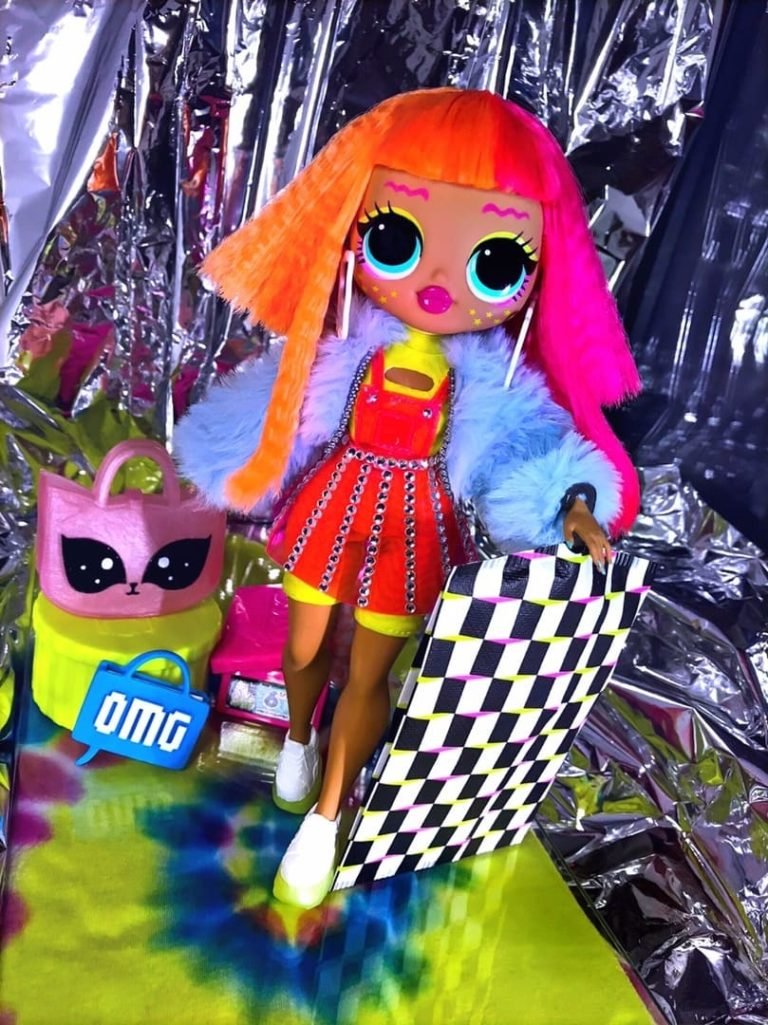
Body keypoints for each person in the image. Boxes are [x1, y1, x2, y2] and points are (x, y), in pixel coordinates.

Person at [175, 88, 641, 909]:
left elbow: (529, 447)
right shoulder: (343, 347)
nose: (435, 283)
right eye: (395, 240)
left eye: (494, 263)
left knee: (370, 672)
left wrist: (572, 501)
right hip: (329, 511)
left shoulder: (491, 380)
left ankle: (326, 817)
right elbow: (275, 409)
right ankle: (298, 735)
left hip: (415, 532)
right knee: (304, 649)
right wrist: (224, 450)